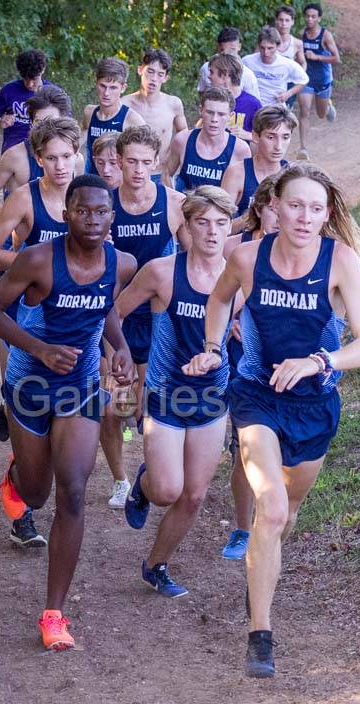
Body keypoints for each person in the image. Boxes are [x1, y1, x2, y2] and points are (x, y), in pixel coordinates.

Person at [183, 162, 360, 678]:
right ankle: (260, 634)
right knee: (268, 509)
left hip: (315, 405)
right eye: (295, 205)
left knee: (286, 513)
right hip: (257, 397)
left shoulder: (341, 262)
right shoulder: (247, 257)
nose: (304, 216)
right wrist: (211, 346)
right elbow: (220, 298)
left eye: (316, 208)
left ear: (328, 212)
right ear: (275, 205)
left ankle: (260, 574)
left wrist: (318, 362)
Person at [0, 174, 136, 651]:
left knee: (72, 491)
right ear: (66, 214)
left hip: (81, 386)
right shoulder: (38, 260)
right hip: (30, 382)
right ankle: (15, 476)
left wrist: (121, 346)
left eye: (101, 212)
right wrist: (41, 349)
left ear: (113, 217)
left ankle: (53, 615)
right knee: (38, 494)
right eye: (82, 211)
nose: (92, 219)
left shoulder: (122, 263)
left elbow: (103, 306)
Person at [117, 186, 235, 598]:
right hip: (166, 394)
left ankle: (156, 565)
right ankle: (144, 485)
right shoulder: (162, 272)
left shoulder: (241, 275)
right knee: (167, 490)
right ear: (185, 226)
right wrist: (115, 358)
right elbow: (114, 313)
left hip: (213, 396)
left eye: (221, 223)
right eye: (202, 222)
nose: (212, 232)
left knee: (194, 494)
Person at [0, 116, 81, 547]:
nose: (60, 166)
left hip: (78, 323)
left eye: (66, 157)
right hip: (28, 319)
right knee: (30, 407)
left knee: (68, 427)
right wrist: (34, 268)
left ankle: (48, 493)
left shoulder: (90, 195)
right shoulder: (25, 198)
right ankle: (20, 503)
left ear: (77, 155)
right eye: (51, 158)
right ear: (38, 159)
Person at [102, 125, 187, 507]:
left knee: (144, 407)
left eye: (145, 162)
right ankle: (119, 478)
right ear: (118, 161)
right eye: (130, 161)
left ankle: (148, 474)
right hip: (113, 315)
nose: (138, 169)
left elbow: (192, 260)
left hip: (157, 318)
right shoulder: (102, 204)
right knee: (110, 409)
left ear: (156, 162)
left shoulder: (173, 203)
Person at [220, 174, 280, 562]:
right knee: (243, 445)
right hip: (235, 357)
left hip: (281, 360)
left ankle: (270, 521)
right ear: (258, 209)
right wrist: (228, 323)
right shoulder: (233, 249)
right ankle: (243, 529)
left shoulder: (306, 252)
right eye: (273, 207)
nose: (280, 216)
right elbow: (207, 296)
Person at [0, 85, 74, 221]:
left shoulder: (76, 159)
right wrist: (16, 220)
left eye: (52, 122)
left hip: (60, 233)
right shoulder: (16, 155)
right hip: (22, 238)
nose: (45, 129)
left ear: (63, 120)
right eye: (39, 123)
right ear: (31, 122)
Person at [222, 104, 297, 231]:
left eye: (285, 137)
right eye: (271, 137)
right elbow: (220, 227)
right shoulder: (237, 173)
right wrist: (255, 215)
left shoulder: (294, 174)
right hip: (244, 245)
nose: (278, 146)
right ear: (256, 137)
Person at [165, 87, 251, 190]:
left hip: (220, 205)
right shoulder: (182, 140)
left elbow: (243, 191)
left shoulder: (240, 149)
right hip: (185, 204)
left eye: (221, 114)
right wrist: (173, 199)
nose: (214, 119)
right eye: (210, 112)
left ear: (230, 116)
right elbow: (166, 175)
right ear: (201, 111)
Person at [123, 49, 187, 181]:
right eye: (150, 71)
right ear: (140, 70)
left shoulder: (173, 104)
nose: (154, 79)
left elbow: (184, 136)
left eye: (160, 74)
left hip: (159, 173)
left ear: (165, 78)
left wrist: (171, 167)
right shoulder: (124, 104)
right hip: (129, 174)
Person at [80, 57, 144, 174]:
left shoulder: (132, 120)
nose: (106, 93)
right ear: (96, 84)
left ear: (123, 88)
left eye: (113, 87)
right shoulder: (89, 112)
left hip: (118, 186)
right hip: (92, 181)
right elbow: (81, 138)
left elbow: (143, 158)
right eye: (103, 86)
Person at [298, 1, 342, 156]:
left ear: (319, 18)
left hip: (323, 79)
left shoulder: (325, 35)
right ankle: (303, 148)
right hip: (306, 79)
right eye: (307, 16)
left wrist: (316, 57)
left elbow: (336, 59)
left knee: (321, 114)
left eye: (313, 16)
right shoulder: (302, 34)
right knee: (304, 110)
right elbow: (297, 53)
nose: (310, 19)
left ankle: (328, 107)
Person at [0, 48, 50, 153]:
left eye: (34, 79)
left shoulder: (53, 92)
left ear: (43, 70)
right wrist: (1, 122)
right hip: (13, 149)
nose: (30, 84)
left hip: (43, 149)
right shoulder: (9, 90)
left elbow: (65, 123)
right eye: (26, 78)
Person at [242, 27, 308, 114]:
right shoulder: (247, 61)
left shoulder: (286, 63)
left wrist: (288, 93)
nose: (266, 52)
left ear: (278, 46)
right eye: (262, 48)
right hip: (253, 108)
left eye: (270, 48)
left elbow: (304, 80)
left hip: (276, 109)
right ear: (258, 45)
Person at [204, 53, 263, 142]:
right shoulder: (210, 101)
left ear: (225, 75)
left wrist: (248, 135)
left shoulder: (253, 104)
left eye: (212, 72)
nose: (209, 76)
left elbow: (266, 137)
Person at [200, 27, 261, 101]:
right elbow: (202, 92)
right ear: (218, 48)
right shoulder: (207, 69)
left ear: (239, 46)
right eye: (223, 50)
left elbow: (253, 103)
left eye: (232, 50)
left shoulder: (248, 75)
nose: (228, 54)